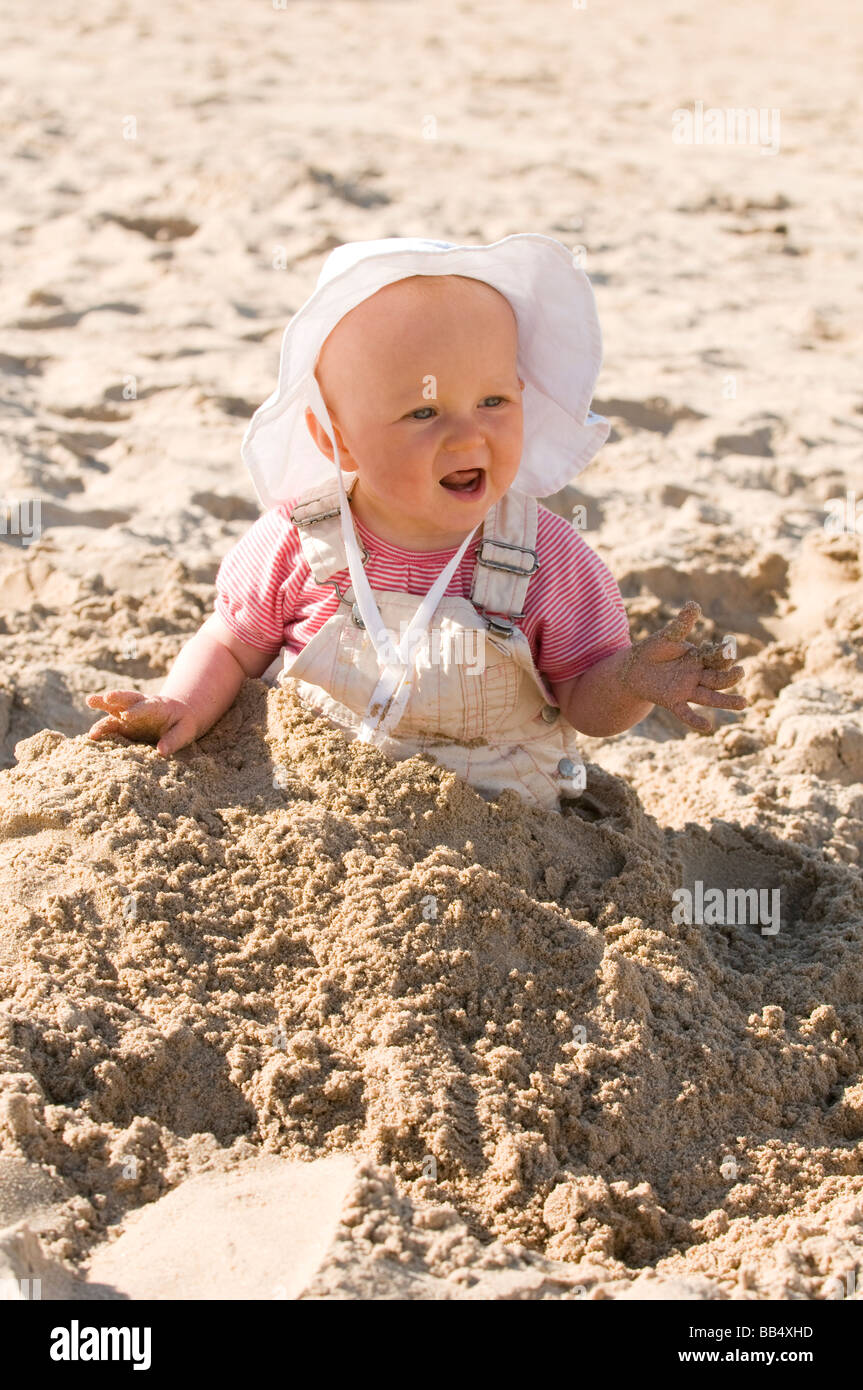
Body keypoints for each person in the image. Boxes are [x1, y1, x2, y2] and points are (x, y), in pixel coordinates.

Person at [87, 235, 746, 812]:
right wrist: (181, 704)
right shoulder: (302, 537)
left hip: (497, 835)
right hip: (302, 808)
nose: (468, 438)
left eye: (491, 400)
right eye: (423, 414)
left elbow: (583, 700)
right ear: (336, 438)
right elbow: (232, 645)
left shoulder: (547, 556)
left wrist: (631, 681)